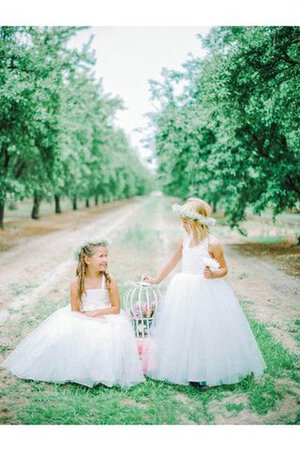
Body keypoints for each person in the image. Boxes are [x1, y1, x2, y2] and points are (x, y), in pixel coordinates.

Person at [143, 198, 266, 387]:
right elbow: (172, 262)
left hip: (206, 290)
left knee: (204, 329)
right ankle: (184, 366)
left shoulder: (213, 243)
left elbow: (224, 269)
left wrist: (214, 273)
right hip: (184, 289)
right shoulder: (184, 239)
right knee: (183, 328)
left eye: (186, 220)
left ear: (198, 221)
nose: (182, 224)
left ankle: (203, 370)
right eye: (182, 220)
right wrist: (156, 279)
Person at [1, 237, 145, 388]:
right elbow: (75, 309)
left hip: (105, 314)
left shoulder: (109, 280)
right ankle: (75, 369)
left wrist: (96, 313)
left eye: (106, 255)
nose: (105, 259)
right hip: (81, 315)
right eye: (101, 256)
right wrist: (87, 317)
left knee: (105, 333)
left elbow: (115, 308)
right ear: (87, 260)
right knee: (72, 332)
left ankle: (101, 371)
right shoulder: (76, 283)